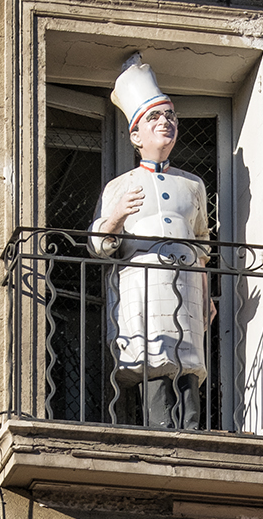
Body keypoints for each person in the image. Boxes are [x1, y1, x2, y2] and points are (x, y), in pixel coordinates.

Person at [90, 55, 210, 431]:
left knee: (188, 357)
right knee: (153, 355)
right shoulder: (120, 185)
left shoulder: (194, 185)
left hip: (187, 283)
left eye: (171, 117)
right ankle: (159, 426)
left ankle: (190, 427)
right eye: (155, 118)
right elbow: (99, 243)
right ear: (135, 135)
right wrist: (115, 216)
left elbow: (203, 244)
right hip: (144, 283)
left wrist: (207, 296)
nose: (166, 124)